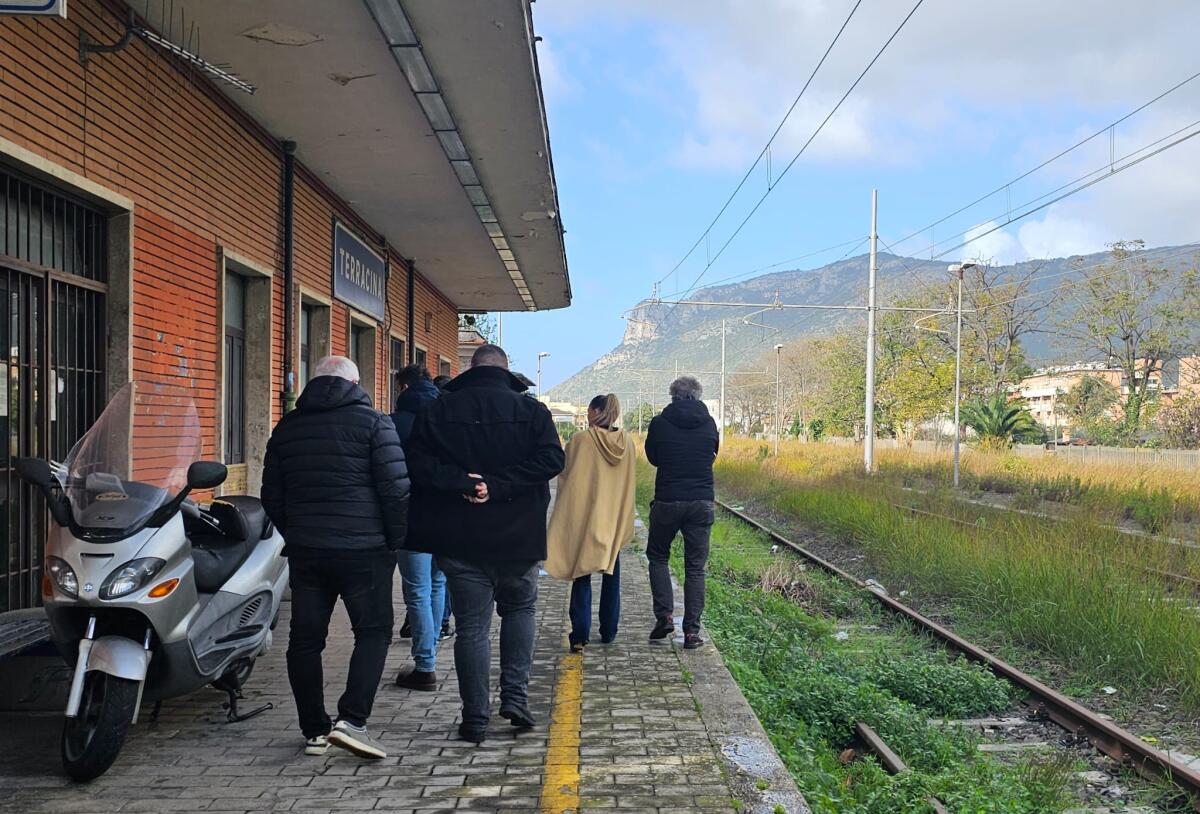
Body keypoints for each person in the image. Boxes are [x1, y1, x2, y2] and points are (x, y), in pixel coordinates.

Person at [405, 343, 565, 744]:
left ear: (471, 370)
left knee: (471, 628)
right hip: (519, 537)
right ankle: (515, 698)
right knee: (520, 611)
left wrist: (467, 483)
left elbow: (417, 464)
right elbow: (551, 461)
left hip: (461, 539)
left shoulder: (438, 410)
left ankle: (474, 718)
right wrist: (499, 486)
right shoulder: (532, 412)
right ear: (506, 371)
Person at [262, 356, 408, 759]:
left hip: (308, 552)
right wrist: (393, 541)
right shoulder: (377, 424)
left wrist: (297, 531)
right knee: (374, 632)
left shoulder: (288, 427)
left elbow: (271, 495)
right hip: (366, 551)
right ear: (356, 382)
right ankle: (352, 721)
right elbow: (396, 490)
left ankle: (314, 731)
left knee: (305, 640)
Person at [545, 394, 635, 652]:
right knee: (612, 575)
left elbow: (566, 476)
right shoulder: (627, 443)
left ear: (595, 412)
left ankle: (580, 635)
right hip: (613, 520)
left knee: (581, 574)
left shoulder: (581, 441)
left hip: (587, 518)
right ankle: (609, 631)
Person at [643, 375, 719, 650]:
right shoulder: (709, 423)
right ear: (697, 396)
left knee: (658, 557)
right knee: (695, 568)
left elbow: (652, 457)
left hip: (667, 499)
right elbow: (712, 454)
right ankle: (691, 633)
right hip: (701, 501)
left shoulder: (660, 423)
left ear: (672, 395)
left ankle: (664, 616)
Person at [390, 364, 447, 691]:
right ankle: (432, 650)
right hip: (447, 516)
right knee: (437, 584)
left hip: (411, 516)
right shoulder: (448, 420)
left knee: (417, 590)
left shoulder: (394, 424)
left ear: (404, 388)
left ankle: (425, 664)